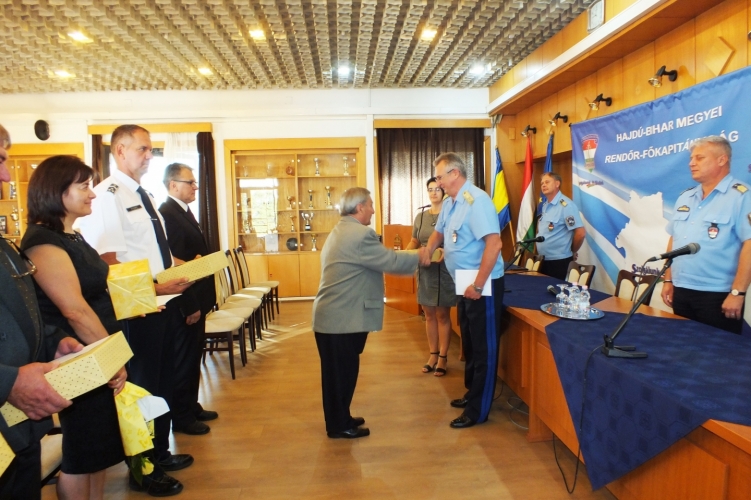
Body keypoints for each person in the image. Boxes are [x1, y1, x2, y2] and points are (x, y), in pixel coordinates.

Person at [77, 124, 194, 496]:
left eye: (150, 149)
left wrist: (181, 267)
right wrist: (156, 287)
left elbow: (154, 253)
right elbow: (108, 263)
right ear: (120, 150)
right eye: (142, 149)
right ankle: (143, 469)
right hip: (137, 309)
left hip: (160, 303)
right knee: (141, 389)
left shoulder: (144, 195)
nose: (148, 155)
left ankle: (159, 453)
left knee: (161, 383)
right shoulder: (108, 195)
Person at [20, 155, 127, 500]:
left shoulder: (72, 236)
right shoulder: (43, 242)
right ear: (57, 191)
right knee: (82, 452)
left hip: (94, 352)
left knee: (99, 450)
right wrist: (113, 357)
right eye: (83, 186)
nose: (92, 193)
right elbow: (75, 310)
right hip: (77, 355)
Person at [0, 125, 84, 500]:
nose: (6, 176)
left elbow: (14, 311)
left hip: (19, 424)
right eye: (0, 161)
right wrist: (8, 381)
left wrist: (52, 341)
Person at [312, 187, 426, 439]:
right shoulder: (361, 235)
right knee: (341, 375)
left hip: (336, 316)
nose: (373, 210)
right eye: (371, 205)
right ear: (360, 207)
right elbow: (390, 261)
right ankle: (339, 425)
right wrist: (421, 255)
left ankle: (341, 417)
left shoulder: (341, 229)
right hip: (341, 318)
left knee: (339, 373)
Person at [424, 152, 504, 429]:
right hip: (463, 281)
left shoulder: (477, 201)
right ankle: (473, 392)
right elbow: (439, 233)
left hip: (482, 283)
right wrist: (428, 250)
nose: (438, 183)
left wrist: (478, 284)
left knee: (484, 347)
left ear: (455, 174)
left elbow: (494, 244)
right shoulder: (450, 202)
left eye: (440, 177)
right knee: (469, 341)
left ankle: (478, 410)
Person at [661, 135, 751, 334]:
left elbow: (750, 245)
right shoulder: (685, 197)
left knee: (718, 351)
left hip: (718, 294)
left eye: (699, 158)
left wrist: (738, 292)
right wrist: (668, 280)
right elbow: (674, 239)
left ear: (722, 159)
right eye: (691, 158)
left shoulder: (742, 196)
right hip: (681, 290)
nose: (691, 163)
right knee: (682, 344)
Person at [159, 163, 218, 435]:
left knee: (194, 356)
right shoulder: (168, 214)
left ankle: (191, 405)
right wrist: (190, 304)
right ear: (173, 185)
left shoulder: (181, 211)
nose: (195, 186)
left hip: (198, 298)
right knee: (183, 360)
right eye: (190, 182)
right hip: (186, 302)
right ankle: (181, 416)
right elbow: (175, 269)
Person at [405, 177, 456, 376]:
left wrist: (445, 250)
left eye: (437, 189)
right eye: (430, 189)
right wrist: (405, 253)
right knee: (428, 315)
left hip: (444, 269)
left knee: (442, 314)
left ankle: (443, 357)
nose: (434, 192)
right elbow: (414, 241)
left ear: (443, 192)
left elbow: (457, 239)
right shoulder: (421, 217)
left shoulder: (451, 214)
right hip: (425, 269)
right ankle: (432, 355)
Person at [535, 172, 585, 280]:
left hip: (558, 262)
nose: (543, 185)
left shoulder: (566, 206)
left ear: (557, 184)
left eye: (547, 182)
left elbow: (580, 233)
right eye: (542, 183)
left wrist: (572, 251)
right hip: (543, 260)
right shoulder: (545, 205)